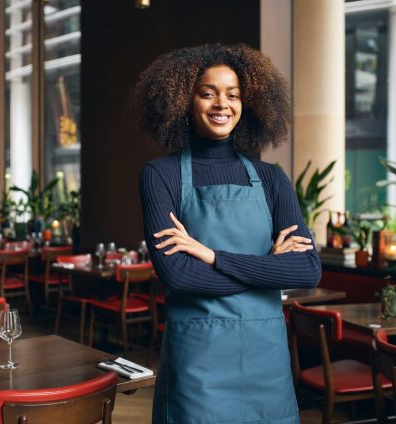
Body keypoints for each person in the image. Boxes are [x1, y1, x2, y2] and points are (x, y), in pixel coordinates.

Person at [135, 44, 321, 423]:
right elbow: (179, 275)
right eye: (208, 93)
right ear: (184, 101)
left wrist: (212, 256)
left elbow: (307, 271)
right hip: (198, 360)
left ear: (247, 104)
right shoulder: (161, 175)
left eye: (233, 94)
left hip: (266, 360)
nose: (223, 104)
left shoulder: (271, 178)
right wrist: (269, 268)